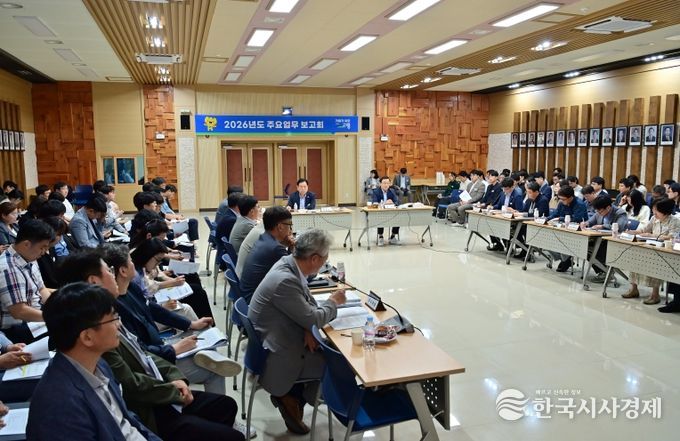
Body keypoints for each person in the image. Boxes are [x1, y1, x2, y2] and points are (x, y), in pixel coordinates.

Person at [26, 282, 162, 441]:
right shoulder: (60, 407)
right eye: (113, 318)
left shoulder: (98, 363)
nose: (118, 324)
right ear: (87, 337)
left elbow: (127, 421)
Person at [248, 229, 346, 435]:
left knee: (326, 344)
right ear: (315, 259)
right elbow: (314, 317)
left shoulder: (288, 263)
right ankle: (298, 397)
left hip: (277, 334)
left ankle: (296, 396)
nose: (326, 261)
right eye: (326, 257)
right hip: (278, 351)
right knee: (339, 359)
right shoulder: (285, 280)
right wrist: (333, 302)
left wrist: (308, 326)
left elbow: (306, 305)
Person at [0, 219, 55, 343]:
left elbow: (41, 289)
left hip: (35, 318)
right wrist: (53, 317)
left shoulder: (29, 257)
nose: (44, 252)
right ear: (26, 244)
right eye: (42, 247)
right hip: (17, 329)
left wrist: (57, 307)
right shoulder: (8, 268)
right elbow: (19, 311)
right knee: (71, 329)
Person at [623, 198, 680, 305]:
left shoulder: (675, 221)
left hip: (665, 252)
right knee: (634, 259)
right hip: (651, 247)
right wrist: (632, 232)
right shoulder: (654, 218)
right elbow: (644, 230)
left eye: (656, 210)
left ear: (665, 211)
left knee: (655, 263)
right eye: (653, 210)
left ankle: (655, 294)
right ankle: (633, 289)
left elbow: (672, 237)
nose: (654, 213)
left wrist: (652, 235)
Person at [239, 207, 295, 302]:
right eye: (290, 225)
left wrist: (290, 246)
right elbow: (295, 275)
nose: (291, 230)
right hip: (255, 302)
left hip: (248, 297)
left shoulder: (264, 238)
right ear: (280, 227)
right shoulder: (275, 248)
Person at [580, 196, 628, 283]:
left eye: (600, 211)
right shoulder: (600, 211)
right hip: (600, 239)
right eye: (597, 211)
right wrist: (585, 223)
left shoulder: (620, 213)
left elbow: (620, 227)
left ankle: (606, 273)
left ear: (608, 207)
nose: (598, 213)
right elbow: (591, 221)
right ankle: (602, 272)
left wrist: (602, 226)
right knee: (584, 248)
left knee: (595, 250)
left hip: (614, 242)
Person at [546, 187, 588, 272]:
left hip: (577, 230)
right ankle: (565, 259)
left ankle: (565, 260)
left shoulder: (579, 204)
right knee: (546, 240)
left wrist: (560, 218)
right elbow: (555, 214)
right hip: (562, 228)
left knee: (562, 239)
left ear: (570, 197)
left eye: (563, 199)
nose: (561, 201)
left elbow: (577, 219)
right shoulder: (561, 203)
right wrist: (546, 219)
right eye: (560, 199)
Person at [371, 176, 401, 245]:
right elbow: (374, 203)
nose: (386, 185)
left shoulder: (392, 191)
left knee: (399, 218)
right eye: (384, 183)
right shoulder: (376, 191)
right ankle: (380, 237)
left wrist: (393, 203)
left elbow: (397, 202)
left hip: (391, 212)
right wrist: (384, 203)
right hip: (380, 213)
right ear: (380, 184)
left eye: (388, 183)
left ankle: (393, 236)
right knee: (381, 218)